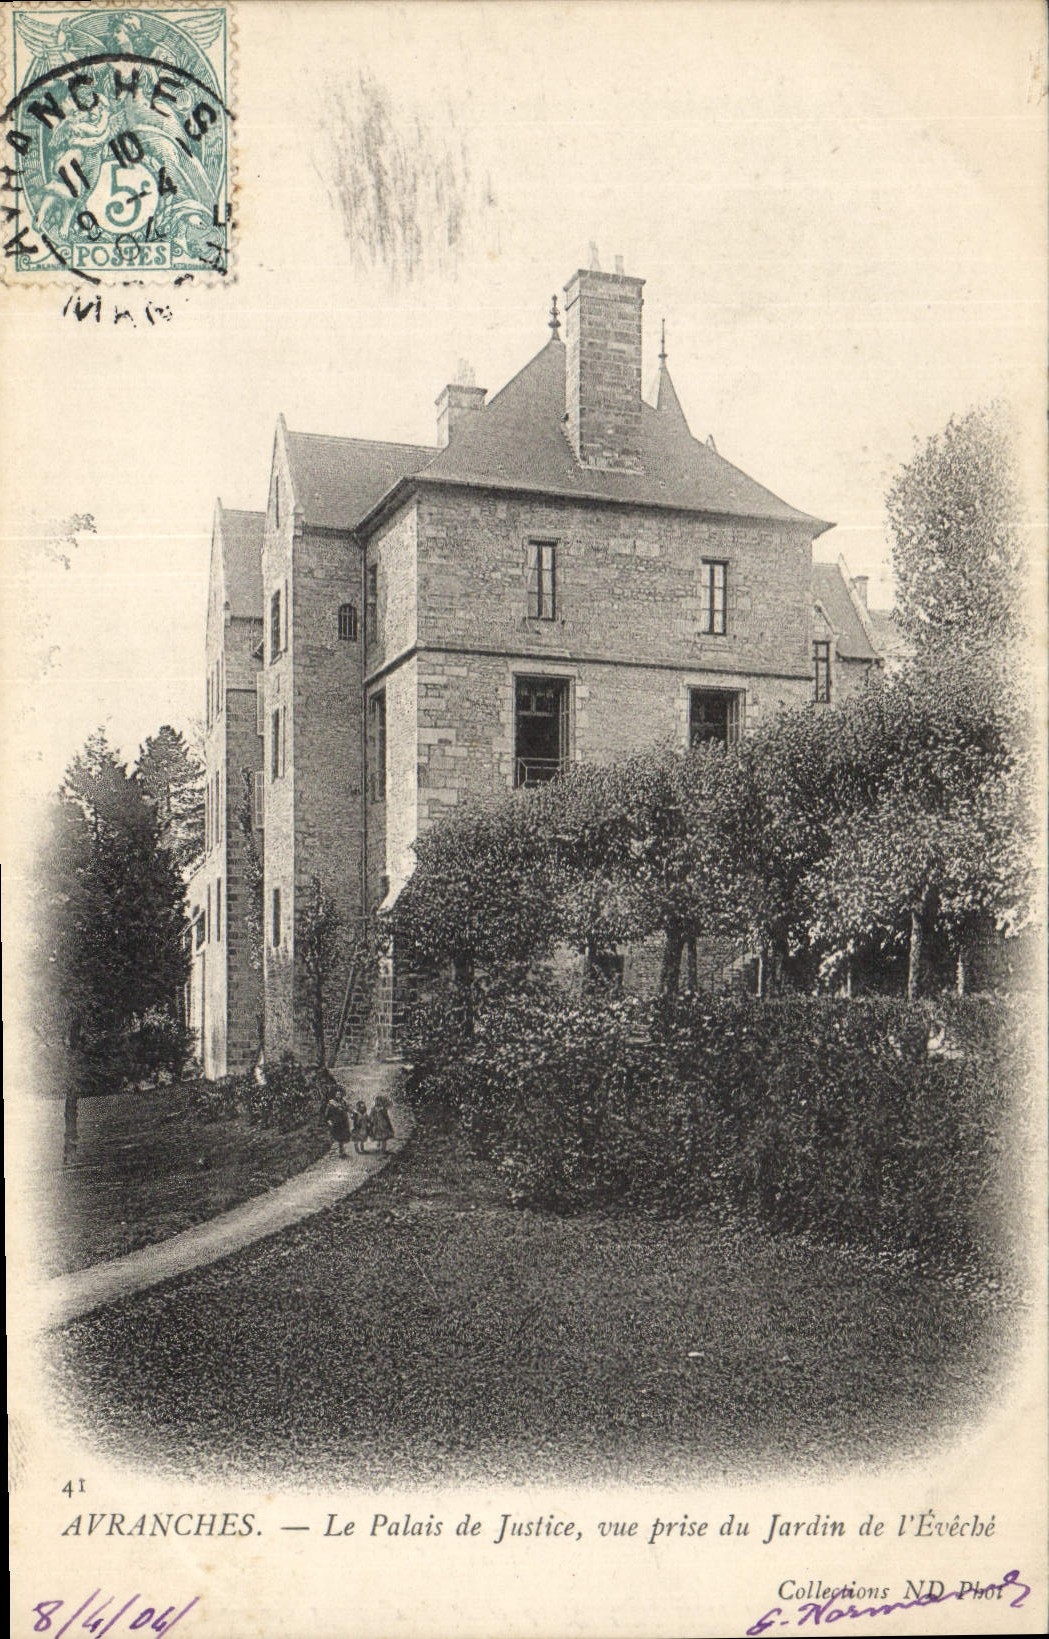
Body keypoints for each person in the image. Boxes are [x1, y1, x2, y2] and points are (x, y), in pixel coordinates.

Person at [323, 1091, 351, 1158]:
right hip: (336, 1122)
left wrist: (351, 1112)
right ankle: (339, 1152)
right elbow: (327, 1114)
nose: (339, 1096)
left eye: (340, 1094)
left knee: (343, 1137)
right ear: (335, 1095)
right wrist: (329, 1121)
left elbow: (347, 1108)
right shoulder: (331, 1103)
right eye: (337, 1094)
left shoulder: (343, 1101)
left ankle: (342, 1152)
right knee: (338, 1137)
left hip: (344, 1122)